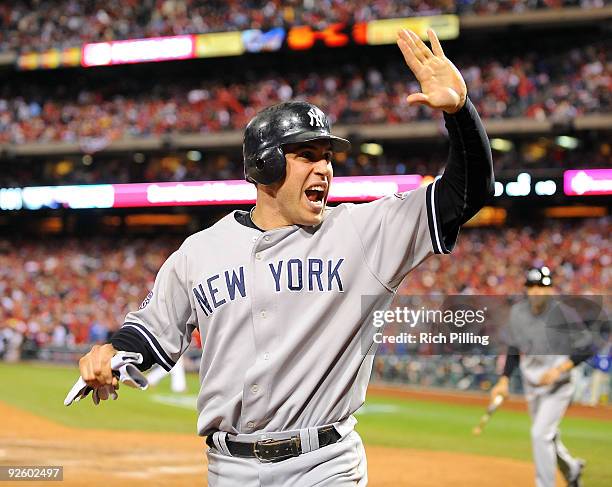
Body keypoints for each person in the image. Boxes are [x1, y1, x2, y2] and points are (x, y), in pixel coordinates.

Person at [76, 28, 494, 486]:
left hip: (324, 465)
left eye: (328, 157)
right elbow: (151, 333)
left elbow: (465, 194)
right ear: (265, 164)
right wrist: (111, 354)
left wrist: (459, 112)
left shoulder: (363, 232)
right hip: (229, 469)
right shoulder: (199, 252)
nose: (325, 169)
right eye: (306, 155)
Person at [490, 266, 593, 487]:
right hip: (532, 384)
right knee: (547, 436)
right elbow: (513, 348)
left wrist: (559, 369)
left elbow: (587, 347)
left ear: (550, 289)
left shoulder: (564, 313)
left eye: (542, 286)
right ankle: (571, 467)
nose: (537, 291)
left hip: (559, 386)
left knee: (539, 434)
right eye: (532, 286)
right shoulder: (518, 312)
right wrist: (504, 379)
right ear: (526, 289)